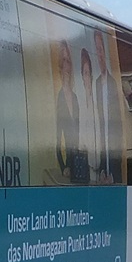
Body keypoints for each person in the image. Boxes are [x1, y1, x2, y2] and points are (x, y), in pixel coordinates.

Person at [93, 30, 124, 184]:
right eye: (96, 50)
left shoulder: (113, 83)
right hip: (102, 151)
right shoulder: (97, 83)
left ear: (105, 52)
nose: (99, 54)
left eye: (100, 49)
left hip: (114, 153)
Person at [55, 39, 81, 182]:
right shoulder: (60, 98)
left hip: (80, 168)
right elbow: (58, 142)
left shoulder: (76, 98)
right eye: (64, 60)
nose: (67, 66)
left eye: (69, 61)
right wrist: (64, 166)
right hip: (68, 173)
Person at [79, 47, 100, 184]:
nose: (87, 77)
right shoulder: (81, 105)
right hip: (82, 169)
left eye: (89, 73)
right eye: (84, 73)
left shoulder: (97, 104)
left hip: (97, 169)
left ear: (92, 77)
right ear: (82, 77)